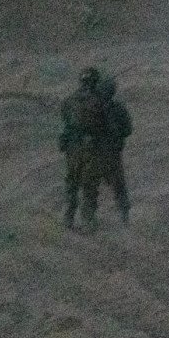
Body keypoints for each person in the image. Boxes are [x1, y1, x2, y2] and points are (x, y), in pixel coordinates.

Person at [59, 67, 106, 230]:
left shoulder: (69, 100)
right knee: (89, 183)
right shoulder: (98, 101)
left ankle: (68, 217)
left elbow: (65, 118)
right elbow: (103, 124)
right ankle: (87, 220)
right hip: (90, 147)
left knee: (72, 181)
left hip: (72, 146)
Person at [94, 76, 133, 224]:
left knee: (91, 185)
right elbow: (128, 130)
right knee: (119, 186)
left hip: (96, 152)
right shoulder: (119, 109)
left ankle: (89, 217)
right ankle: (124, 217)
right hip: (113, 153)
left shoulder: (94, 108)